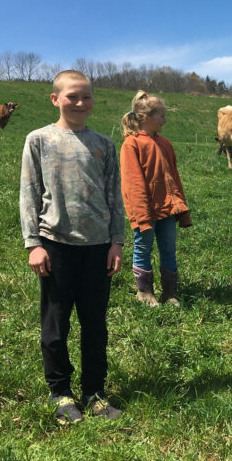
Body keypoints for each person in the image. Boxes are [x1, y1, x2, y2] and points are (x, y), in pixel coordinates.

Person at [20, 70, 125, 425]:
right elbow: (29, 194)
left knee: (95, 324)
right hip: (56, 246)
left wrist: (117, 242)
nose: (80, 103)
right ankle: (60, 391)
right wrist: (34, 243)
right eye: (72, 96)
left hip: (98, 247)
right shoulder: (39, 140)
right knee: (56, 323)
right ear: (55, 99)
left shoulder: (104, 145)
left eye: (86, 97)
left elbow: (115, 197)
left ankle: (94, 391)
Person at [119, 91, 192, 308]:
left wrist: (181, 206)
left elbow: (174, 178)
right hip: (145, 211)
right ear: (145, 117)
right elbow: (132, 184)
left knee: (168, 248)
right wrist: (141, 214)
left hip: (168, 208)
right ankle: (144, 292)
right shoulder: (131, 144)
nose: (165, 120)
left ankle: (169, 293)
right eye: (161, 115)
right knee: (143, 247)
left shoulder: (166, 144)